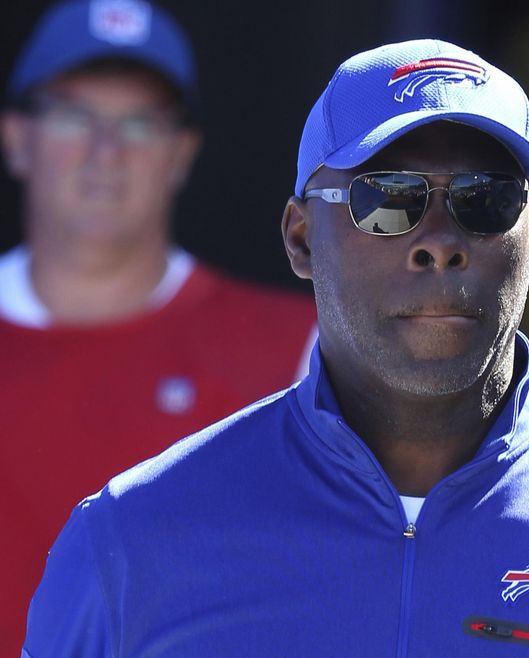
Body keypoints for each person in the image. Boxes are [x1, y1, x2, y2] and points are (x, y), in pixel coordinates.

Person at [22, 38, 529, 657]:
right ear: (300, 238)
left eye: (484, 201)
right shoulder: (132, 541)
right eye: (387, 199)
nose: (439, 244)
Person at [0, 1, 316, 651]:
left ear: (181, 152)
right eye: (72, 115)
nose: (105, 152)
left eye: (139, 123)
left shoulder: (296, 353)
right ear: (15, 136)